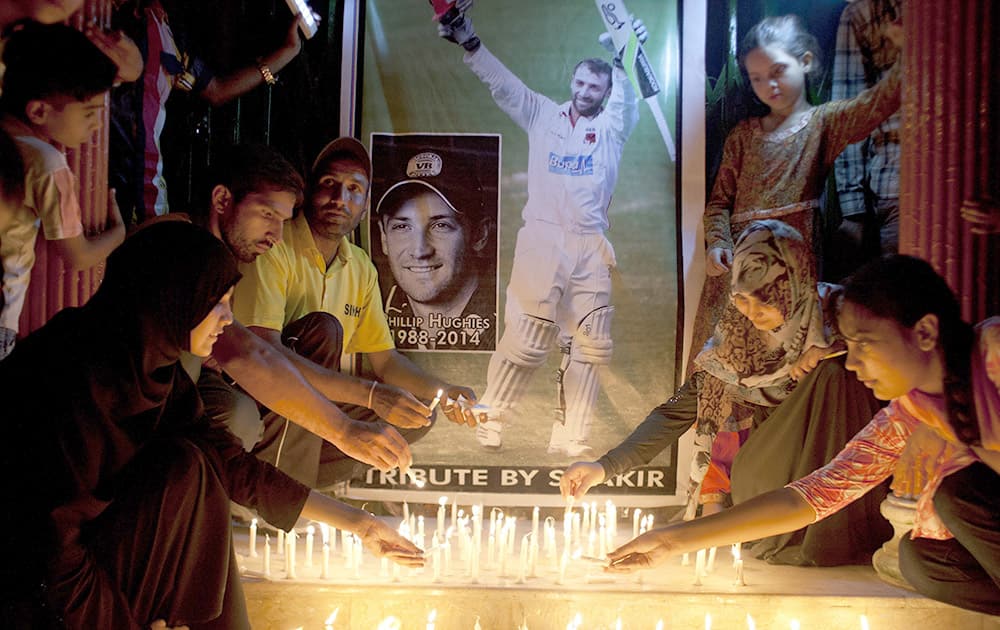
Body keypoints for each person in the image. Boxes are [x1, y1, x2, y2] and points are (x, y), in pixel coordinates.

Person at [0, 221, 423, 629]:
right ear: (174, 294)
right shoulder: (77, 373)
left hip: (85, 567)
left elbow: (232, 464)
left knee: (202, 464)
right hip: (31, 588)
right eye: (217, 302)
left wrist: (361, 525)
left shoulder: (152, 363)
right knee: (188, 467)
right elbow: (51, 550)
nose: (227, 317)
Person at [605, 254, 1000, 616]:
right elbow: (814, 494)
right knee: (921, 559)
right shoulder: (909, 411)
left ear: (926, 332)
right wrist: (671, 541)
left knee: (958, 492)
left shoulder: (993, 353)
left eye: (863, 343)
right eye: (743, 301)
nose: (854, 361)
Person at [561, 220, 888, 565]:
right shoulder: (737, 339)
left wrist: (838, 347)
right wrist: (603, 467)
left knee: (836, 374)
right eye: (742, 299)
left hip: (849, 463)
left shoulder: (843, 314)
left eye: (765, 300)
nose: (752, 313)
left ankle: (841, 531)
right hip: (771, 470)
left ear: (795, 285)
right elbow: (676, 411)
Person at [437, 0, 644, 456]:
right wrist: (469, 41)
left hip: (590, 243)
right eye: (582, 82)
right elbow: (502, 84)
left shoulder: (612, 128)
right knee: (529, 335)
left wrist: (624, 55)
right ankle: (491, 420)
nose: (587, 90)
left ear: (605, 91)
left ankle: (573, 437)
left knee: (590, 341)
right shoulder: (543, 115)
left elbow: (628, 99)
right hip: (543, 238)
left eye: (597, 85)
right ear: (572, 82)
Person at [232, 137, 479, 488]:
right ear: (308, 193)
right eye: (329, 185)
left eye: (354, 190)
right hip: (263, 396)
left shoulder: (360, 265)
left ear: (365, 209)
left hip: (316, 409)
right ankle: (276, 490)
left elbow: (386, 362)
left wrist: (446, 390)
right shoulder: (276, 244)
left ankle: (305, 483)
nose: (339, 200)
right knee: (323, 331)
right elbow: (266, 353)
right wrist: (371, 395)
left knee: (418, 411)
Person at [177, 143, 427, 486]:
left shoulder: (224, 257)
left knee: (410, 416)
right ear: (222, 200)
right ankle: (277, 492)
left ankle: (293, 488)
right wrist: (350, 421)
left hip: (213, 389)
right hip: (161, 405)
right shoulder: (183, 247)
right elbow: (251, 353)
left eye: (282, 220)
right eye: (268, 215)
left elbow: (385, 359)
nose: (276, 234)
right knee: (242, 414)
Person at [689, 13, 901, 379]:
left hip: (787, 280)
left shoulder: (824, 123)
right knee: (721, 379)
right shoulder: (743, 136)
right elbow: (719, 203)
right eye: (756, 78)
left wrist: (908, 49)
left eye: (777, 71)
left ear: (804, 61)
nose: (768, 85)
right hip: (738, 276)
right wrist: (717, 243)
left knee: (782, 371)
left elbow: (878, 103)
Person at [109, 0, 307, 224]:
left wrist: (287, 53)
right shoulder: (109, 13)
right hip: (104, 177)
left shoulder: (166, 33)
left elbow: (217, 90)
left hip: (149, 191)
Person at [0, 23, 126, 360]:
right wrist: (119, 233)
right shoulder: (48, 164)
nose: (97, 125)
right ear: (38, 111)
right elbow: (78, 256)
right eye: (88, 113)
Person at [374, 144, 497, 351]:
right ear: (384, 238)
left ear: (480, 235)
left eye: (441, 225)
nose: (420, 251)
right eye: (403, 226)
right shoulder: (372, 312)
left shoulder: (512, 322)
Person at [829, 0, 902, 280]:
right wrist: (854, 210)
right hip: (894, 182)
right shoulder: (863, 12)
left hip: (973, 183)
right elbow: (851, 113)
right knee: (906, 299)